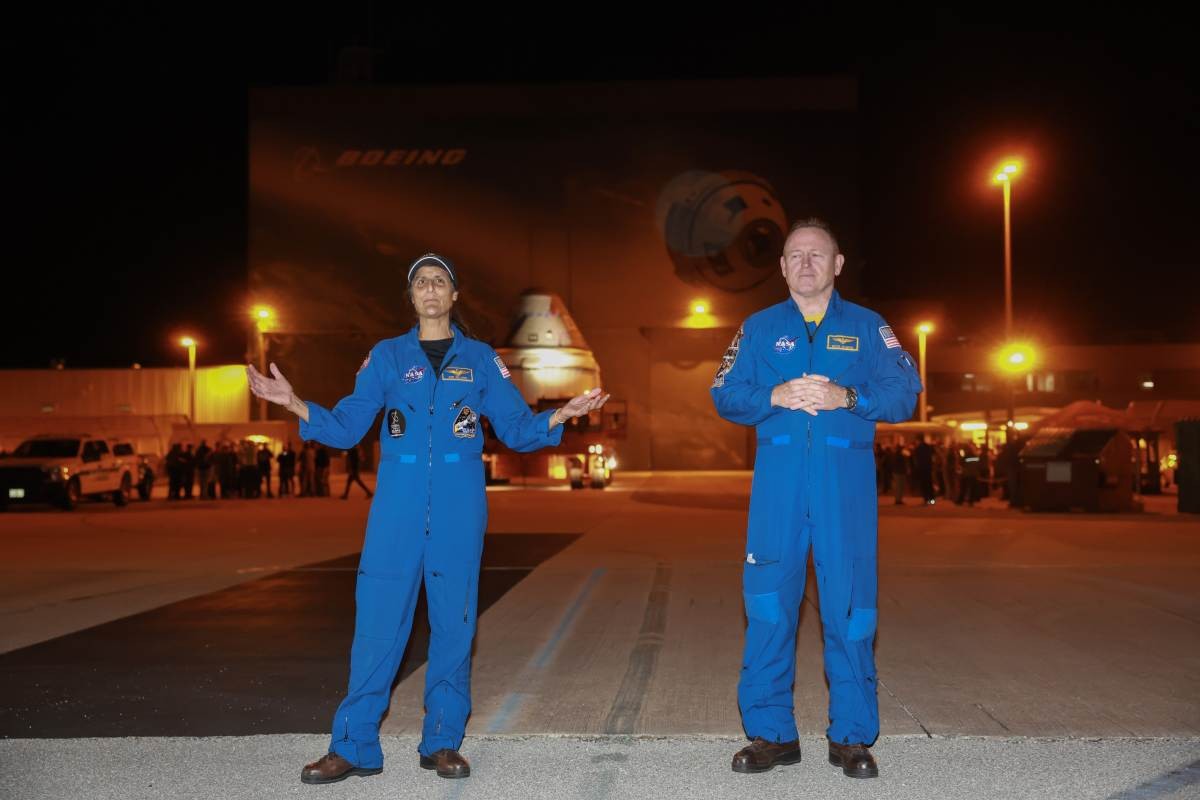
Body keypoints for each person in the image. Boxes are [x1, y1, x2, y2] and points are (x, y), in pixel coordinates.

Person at [246, 252, 609, 784]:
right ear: (412, 296)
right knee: (376, 625)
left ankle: (442, 742)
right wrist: (295, 402)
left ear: (454, 295)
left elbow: (515, 427)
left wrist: (559, 415)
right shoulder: (387, 356)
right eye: (422, 283)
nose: (431, 290)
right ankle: (353, 746)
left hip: (460, 505)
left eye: (440, 281)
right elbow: (348, 426)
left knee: (454, 626)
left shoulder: (483, 359)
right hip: (397, 504)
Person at [711, 218, 921, 780]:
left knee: (851, 609)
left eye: (817, 255)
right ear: (780, 267)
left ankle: (852, 738)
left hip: (843, 489)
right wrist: (772, 394)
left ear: (838, 265)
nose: (805, 263)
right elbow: (724, 391)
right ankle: (771, 734)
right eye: (794, 255)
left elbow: (906, 392)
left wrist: (846, 395)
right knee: (768, 606)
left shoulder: (870, 328)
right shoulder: (756, 329)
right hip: (777, 490)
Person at [913, 436, 935, 505]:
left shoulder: (918, 448)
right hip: (928, 468)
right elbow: (932, 456)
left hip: (922, 468)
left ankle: (926, 499)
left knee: (924, 484)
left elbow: (916, 459)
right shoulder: (928, 447)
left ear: (918, 440)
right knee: (929, 484)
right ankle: (932, 500)